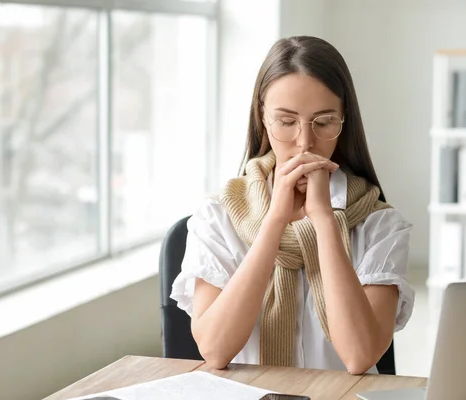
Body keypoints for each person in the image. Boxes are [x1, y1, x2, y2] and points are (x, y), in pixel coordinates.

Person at [170, 36, 415, 375]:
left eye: (324, 121)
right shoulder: (218, 215)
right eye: (286, 122)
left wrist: (326, 221)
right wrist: (274, 222)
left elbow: (360, 356)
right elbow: (215, 349)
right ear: (263, 118)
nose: (304, 142)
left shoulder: (380, 225)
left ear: (344, 122)